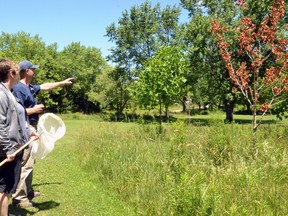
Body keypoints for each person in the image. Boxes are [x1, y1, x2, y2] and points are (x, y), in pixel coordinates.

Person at [12, 60, 74, 208]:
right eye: (33, 69)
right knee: (26, 162)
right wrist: (34, 110)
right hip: (25, 128)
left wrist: (63, 83)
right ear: (27, 71)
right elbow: (15, 112)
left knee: (31, 159)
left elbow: (46, 86)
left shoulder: (30, 87)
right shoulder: (18, 88)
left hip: (32, 127)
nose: (34, 71)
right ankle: (20, 198)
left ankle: (28, 191)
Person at [0, 59, 38, 216]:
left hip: (14, 148)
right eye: (17, 71)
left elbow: (17, 119)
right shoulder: (1, 94)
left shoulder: (10, 93)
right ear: (11, 73)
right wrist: (8, 149)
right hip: (6, 150)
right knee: (3, 188)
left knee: (7, 187)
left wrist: (29, 132)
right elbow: (0, 124)